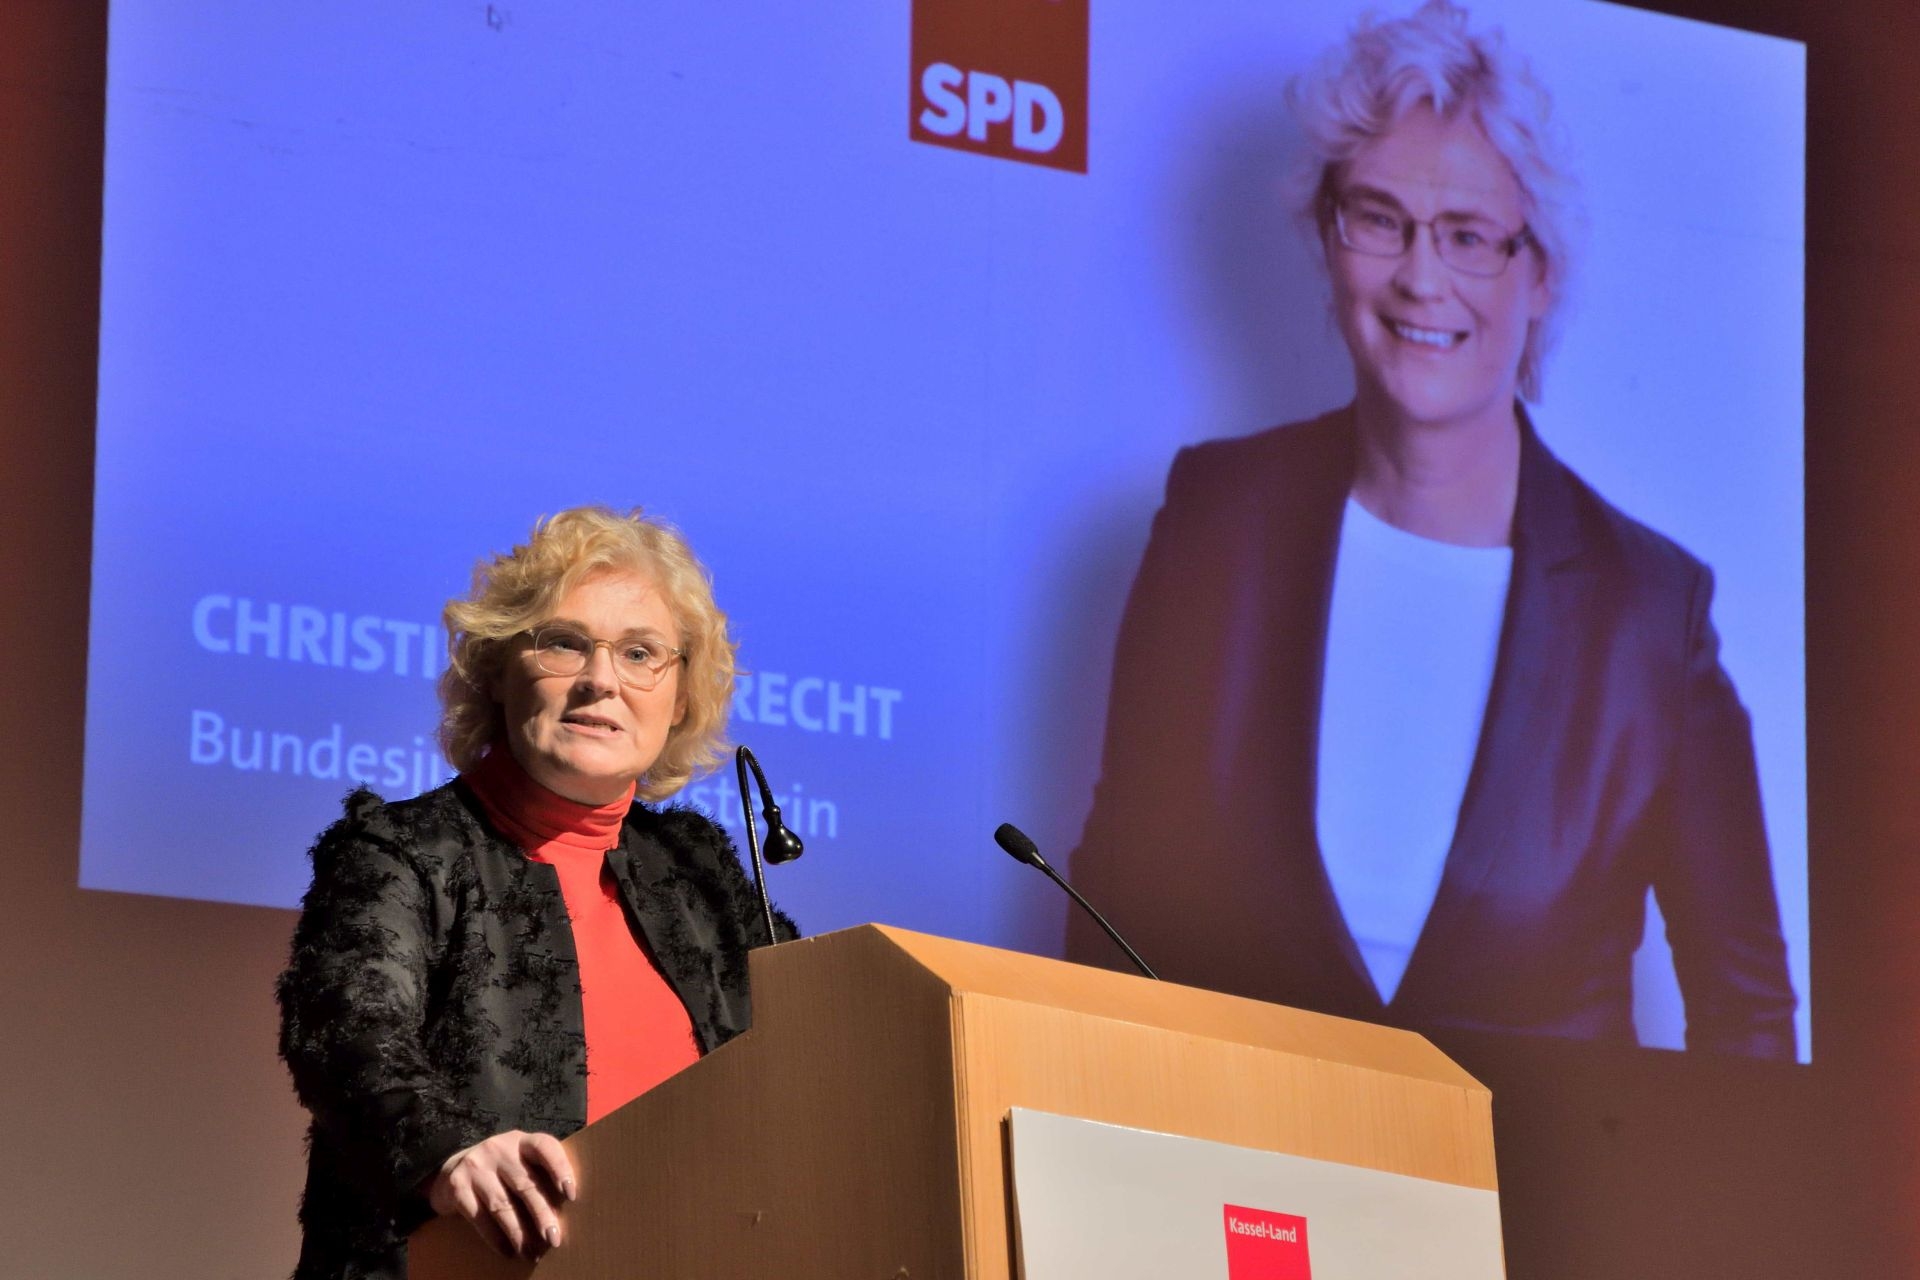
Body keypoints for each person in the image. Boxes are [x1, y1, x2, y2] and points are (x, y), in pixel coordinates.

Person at [1065, 0, 1796, 1059]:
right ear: (1328, 238)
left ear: (1539, 273)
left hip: (1540, 1169)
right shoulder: (1215, 521)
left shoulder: (1650, 612)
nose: (1420, 276)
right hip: (1233, 1154)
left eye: (1467, 236)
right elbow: (1113, 902)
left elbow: (1749, 1018)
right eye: (1379, 218)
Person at [277, 506, 797, 1280]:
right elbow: (350, 1032)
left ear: (682, 698)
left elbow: (820, 1038)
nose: (601, 680)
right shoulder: (402, 850)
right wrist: (449, 1152)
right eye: (563, 642)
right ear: (496, 671)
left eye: (640, 653)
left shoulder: (700, 873)